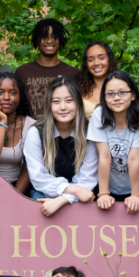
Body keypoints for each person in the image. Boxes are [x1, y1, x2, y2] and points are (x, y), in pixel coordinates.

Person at [24, 77, 97, 217]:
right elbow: (38, 178)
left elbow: (87, 181)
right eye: (56, 101)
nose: (63, 107)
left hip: (82, 194)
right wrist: (73, 190)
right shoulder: (36, 133)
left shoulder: (89, 134)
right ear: (49, 105)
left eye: (69, 101)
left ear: (78, 103)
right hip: (44, 192)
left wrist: (63, 199)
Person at [87, 71, 139, 214]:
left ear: (133, 95)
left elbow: (134, 157)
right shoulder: (99, 115)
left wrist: (135, 195)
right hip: (107, 185)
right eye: (110, 94)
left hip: (138, 184)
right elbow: (104, 156)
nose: (116, 98)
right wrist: (104, 193)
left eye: (122, 92)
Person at [15, 18, 81, 119]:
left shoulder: (73, 73)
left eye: (54, 36)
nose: (49, 41)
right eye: (44, 37)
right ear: (37, 40)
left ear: (60, 39)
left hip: (63, 131)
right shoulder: (22, 72)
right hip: (30, 131)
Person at [78, 40, 120, 119]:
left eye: (101, 58)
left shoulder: (123, 86)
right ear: (86, 64)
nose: (96, 63)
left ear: (109, 59)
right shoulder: (79, 90)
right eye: (91, 59)